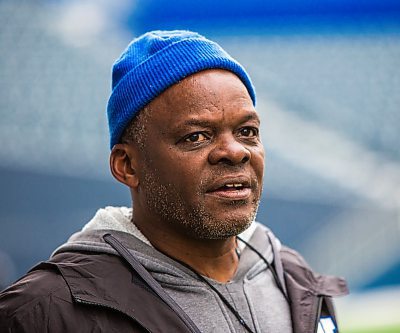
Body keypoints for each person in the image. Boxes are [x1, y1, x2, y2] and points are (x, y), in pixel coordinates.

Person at [0, 30, 348, 333]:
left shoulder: (296, 280)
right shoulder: (44, 312)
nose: (234, 151)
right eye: (196, 137)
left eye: (247, 131)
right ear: (127, 165)